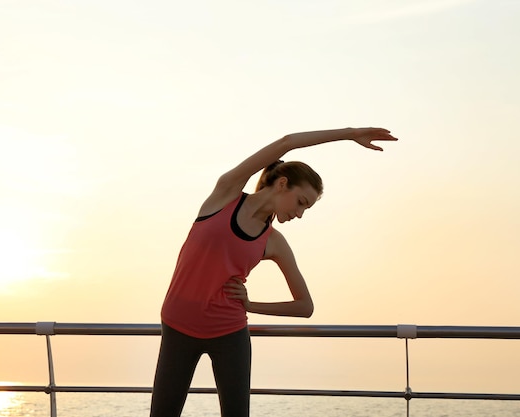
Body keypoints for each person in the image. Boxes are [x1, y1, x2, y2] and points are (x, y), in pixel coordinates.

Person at [149, 126, 398, 417]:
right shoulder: (225, 195)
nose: (300, 213)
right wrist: (349, 133)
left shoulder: (274, 242)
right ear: (282, 184)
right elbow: (287, 142)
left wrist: (250, 305)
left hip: (229, 334)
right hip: (178, 326)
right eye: (301, 202)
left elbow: (305, 307)